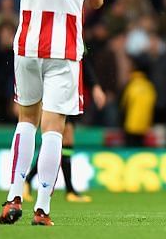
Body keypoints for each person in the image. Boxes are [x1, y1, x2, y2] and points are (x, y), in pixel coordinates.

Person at [0, 0, 104, 226]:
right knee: (54, 128)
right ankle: (42, 207)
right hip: (65, 46)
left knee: (25, 121)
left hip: (27, 41)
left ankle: (13, 197)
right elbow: (97, 1)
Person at [23, 60, 107, 203]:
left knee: (65, 141)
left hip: (71, 90)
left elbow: (83, 63)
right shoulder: (60, 43)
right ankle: (64, 189)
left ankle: (33, 181)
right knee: (59, 138)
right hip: (59, 89)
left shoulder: (75, 41)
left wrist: (94, 86)